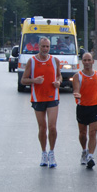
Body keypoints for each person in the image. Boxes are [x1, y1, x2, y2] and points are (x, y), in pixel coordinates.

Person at [21, 37, 62, 168]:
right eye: (43, 46)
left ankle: (52, 152)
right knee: (42, 128)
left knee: (52, 127)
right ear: (38, 46)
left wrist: (58, 82)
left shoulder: (55, 60)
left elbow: (59, 75)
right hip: (38, 98)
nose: (45, 49)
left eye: (47, 47)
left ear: (50, 47)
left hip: (53, 97)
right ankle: (43, 152)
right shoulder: (32, 61)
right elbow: (23, 80)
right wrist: (34, 81)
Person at [73, 53, 97, 169]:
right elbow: (76, 89)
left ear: (93, 61)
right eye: (85, 60)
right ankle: (84, 150)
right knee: (83, 134)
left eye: (89, 60)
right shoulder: (78, 76)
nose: (87, 62)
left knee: (93, 132)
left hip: (95, 107)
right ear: (82, 62)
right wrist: (77, 94)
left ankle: (90, 156)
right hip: (82, 107)